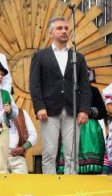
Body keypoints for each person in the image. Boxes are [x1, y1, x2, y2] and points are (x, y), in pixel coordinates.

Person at [29, 17, 91, 175]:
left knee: (72, 152)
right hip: (49, 110)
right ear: (51, 33)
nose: (64, 31)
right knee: (49, 151)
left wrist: (84, 109)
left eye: (66, 28)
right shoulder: (40, 56)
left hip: (72, 108)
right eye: (59, 28)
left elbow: (85, 86)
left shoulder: (78, 57)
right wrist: (39, 106)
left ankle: (71, 183)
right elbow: (34, 84)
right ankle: (50, 184)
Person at [58, 68, 106, 174]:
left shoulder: (93, 90)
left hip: (90, 130)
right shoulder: (66, 91)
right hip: (71, 127)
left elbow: (103, 112)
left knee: (91, 170)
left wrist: (87, 111)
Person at [8, 108, 37, 174]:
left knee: (22, 180)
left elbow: (33, 135)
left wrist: (23, 148)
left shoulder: (21, 113)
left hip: (18, 157)